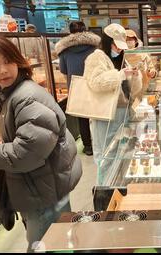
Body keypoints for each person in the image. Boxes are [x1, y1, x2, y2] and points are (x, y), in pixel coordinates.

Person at [0, 34, 82, 252]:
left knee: (43, 245)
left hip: (43, 191)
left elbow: (25, 154)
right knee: (59, 241)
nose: (3, 70)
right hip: (44, 186)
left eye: (7, 61)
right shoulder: (13, 94)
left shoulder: (26, 97)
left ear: (18, 60)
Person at [83, 23, 142, 186]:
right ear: (108, 41)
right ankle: (106, 193)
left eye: (121, 46)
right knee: (106, 156)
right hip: (105, 116)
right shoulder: (96, 57)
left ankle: (118, 187)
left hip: (123, 113)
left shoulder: (123, 59)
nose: (118, 49)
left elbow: (134, 89)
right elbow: (95, 82)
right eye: (116, 45)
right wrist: (121, 75)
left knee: (122, 154)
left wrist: (135, 76)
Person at [55, 21, 101, 156]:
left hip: (76, 87)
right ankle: (99, 143)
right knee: (97, 115)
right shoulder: (94, 48)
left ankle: (88, 147)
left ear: (70, 32)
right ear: (85, 30)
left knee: (82, 118)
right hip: (94, 84)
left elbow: (64, 71)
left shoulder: (64, 51)